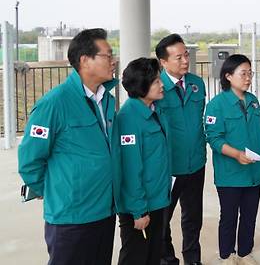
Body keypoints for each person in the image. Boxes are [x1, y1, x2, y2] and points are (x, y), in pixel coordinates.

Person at [18, 28, 120, 265]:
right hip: (71, 219)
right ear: (85, 60)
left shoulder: (106, 99)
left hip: (104, 211)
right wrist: (56, 191)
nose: (113, 60)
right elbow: (30, 161)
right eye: (107, 55)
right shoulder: (54, 104)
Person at [205, 54, 260, 265]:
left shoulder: (254, 101)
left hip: (254, 173)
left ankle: (244, 252)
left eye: (250, 73)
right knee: (229, 218)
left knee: (249, 217)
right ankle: (226, 255)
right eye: (243, 73)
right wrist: (236, 154)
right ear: (228, 76)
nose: (248, 78)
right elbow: (214, 138)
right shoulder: (216, 105)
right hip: (230, 174)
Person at [155, 34, 207, 265]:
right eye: (179, 57)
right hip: (169, 168)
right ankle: (167, 259)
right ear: (163, 62)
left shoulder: (198, 83)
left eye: (186, 54)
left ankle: (193, 259)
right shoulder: (156, 88)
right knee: (163, 218)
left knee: (193, 217)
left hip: (196, 163)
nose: (185, 60)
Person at [116, 58, 170, 265]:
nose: (162, 84)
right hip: (140, 206)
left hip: (157, 199)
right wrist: (139, 211)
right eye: (156, 81)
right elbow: (130, 169)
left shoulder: (154, 111)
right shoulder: (129, 118)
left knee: (153, 255)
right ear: (141, 86)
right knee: (135, 256)